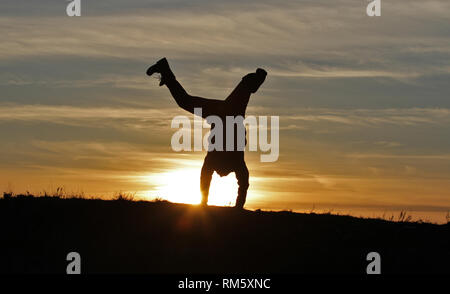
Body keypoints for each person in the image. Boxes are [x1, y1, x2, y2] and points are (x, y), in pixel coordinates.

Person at [146, 58, 267, 209]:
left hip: (222, 112)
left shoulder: (225, 161)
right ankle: (254, 79)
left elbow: (243, 183)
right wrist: (233, 207)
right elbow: (242, 182)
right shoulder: (230, 161)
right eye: (222, 173)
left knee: (186, 101)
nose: (221, 174)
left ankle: (165, 70)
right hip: (226, 113)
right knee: (187, 101)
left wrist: (209, 203)